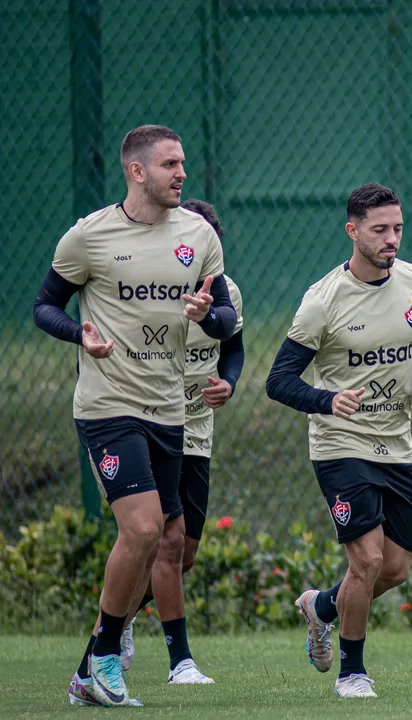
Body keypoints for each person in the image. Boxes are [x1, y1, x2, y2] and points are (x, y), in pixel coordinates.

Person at [33, 124, 237, 707]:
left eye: (183, 166)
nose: (181, 175)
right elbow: (45, 306)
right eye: (170, 165)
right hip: (107, 405)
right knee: (144, 527)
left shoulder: (198, 237)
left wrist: (206, 316)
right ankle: (104, 661)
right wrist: (81, 335)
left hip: (169, 408)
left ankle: (88, 667)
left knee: (161, 541)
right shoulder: (90, 236)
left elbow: (226, 322)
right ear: (136, 170)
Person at [265, 184, 412, 699]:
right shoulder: (322, 302)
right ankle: (352, 673)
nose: (392, 239)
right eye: (380, 230)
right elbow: (279, 380)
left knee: (395, 569)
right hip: (341, 446)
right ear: (353, 230)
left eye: (398, 229)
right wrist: (326, 400)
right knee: (365, 560)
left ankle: (321, 608)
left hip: (396, 444)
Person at [119, 199, 245, 684]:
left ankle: (119, 618)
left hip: (196, 431)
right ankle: (180, 662)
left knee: (183, 554)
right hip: (144, 423)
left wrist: (228, 383)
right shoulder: (145, 286)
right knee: (163, 541)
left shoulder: (226, 291)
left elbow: (231, 350)